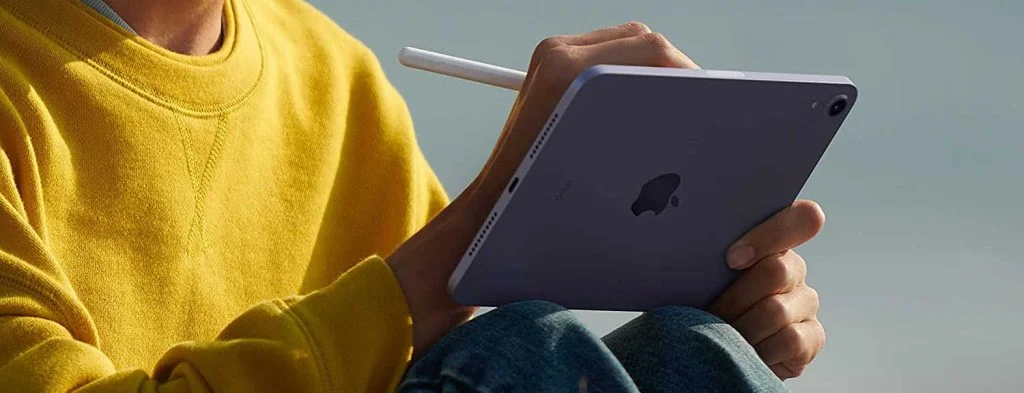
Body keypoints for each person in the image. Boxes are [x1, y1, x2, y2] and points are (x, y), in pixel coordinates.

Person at [0, 0, 826, 392]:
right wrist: (484, 209)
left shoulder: (337, 78)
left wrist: (737, 313)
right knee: (527, 356)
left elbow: (435, 354)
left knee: (691, 354)